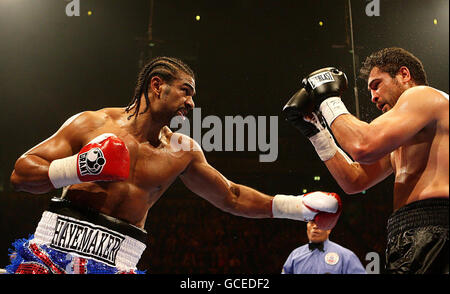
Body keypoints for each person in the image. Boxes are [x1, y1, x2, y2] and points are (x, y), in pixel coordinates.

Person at [6, 56, 342, 274]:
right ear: (157, 85)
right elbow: (20, 174)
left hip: (116, 261)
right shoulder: (92, 124)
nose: (192, 103)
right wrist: (79, 167)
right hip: (53, 249)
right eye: (185, 92)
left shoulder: (182, 151)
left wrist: (298, 207)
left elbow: (233, 196)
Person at [283, 47, 449, 274]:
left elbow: (363, 145)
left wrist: (328, 99)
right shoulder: (405, 136)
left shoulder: (422, 95)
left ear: (404, 75)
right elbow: (355, 180)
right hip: (412, 231)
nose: (372, 97)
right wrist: (316, 132)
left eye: (376, 85)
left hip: (436, 227)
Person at [282, 221, 366, 274]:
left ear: (329, 229)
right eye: (312, 222)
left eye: (320, 223)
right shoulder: (295, 255)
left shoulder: (346, 256)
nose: (315, 226)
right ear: (307, 228)